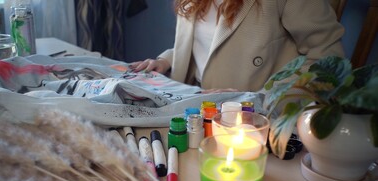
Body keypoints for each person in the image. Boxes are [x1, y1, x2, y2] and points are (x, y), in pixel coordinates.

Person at [129, 0, 345, 93]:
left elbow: (329, 59)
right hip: (198, 108)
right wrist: (166, 60)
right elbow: (207, 46)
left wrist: (263, 100)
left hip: (257, 125)